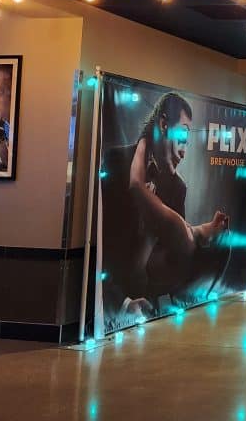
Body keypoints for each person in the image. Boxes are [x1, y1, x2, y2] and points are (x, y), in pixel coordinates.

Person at [101, 92, 229, 321]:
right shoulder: (117, 161)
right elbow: (101, 249)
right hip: (113, 297)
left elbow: (177, 243)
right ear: (163, 124)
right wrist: (122, 302)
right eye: (182, 136)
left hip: (148, 297)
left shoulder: (177, 187)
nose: (184, 149)